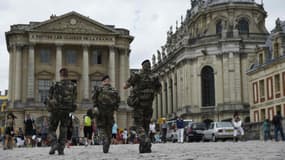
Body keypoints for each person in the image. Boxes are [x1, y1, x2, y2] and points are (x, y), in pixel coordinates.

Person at [124, 59, 161, 153]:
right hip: (149, 104)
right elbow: (159, 89)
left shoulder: (137, 75)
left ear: (142, 66)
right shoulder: (154, 76)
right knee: (146, 125)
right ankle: (145, 147)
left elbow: (126, 86)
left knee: (138, 125)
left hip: (138, 104)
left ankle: (145, 139)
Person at [46, 68, 77, 155]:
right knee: (64, 130)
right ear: (67, 75)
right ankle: (61, 149)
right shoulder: (73, 85)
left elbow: (49, 98)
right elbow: (74, 99)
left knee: (51, 129)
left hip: (56, 110)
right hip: (67, 111)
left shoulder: (55, 85)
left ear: (60, 75)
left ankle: (54, 143)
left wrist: (49, 106)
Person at [92, 75, 120, 153]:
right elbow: (118, 101)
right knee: (109, 129)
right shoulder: (114, 90)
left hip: (101, 112)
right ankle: (107, 143)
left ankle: (105, 140)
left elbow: (94, 99)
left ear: (103, 82)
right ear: (109, 81)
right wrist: (115, 109)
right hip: (110, 113)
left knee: (101, 128)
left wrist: (95, 107)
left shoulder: (99, 89)